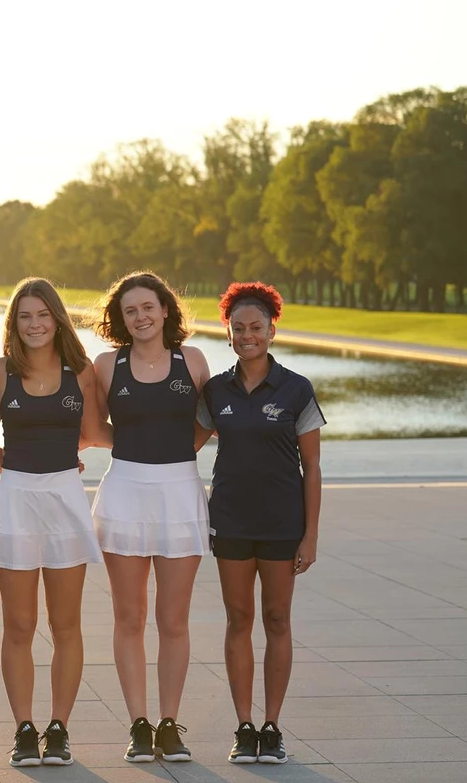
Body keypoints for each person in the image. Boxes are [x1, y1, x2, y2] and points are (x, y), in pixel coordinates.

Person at [0, 278, 108, 767]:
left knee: (66, 624)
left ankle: (58, 728)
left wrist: (171, 441)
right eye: (24, 317)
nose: (34, 325)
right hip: (15, 500)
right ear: (13, 324)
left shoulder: (80, 373)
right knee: (18, 625)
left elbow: (94, 433)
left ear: (57, 318)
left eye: (42, 315)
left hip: (65, 503)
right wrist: (22, 469)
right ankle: (23, 729)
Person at [197, 282, 324, 765]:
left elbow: (311, 467)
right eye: (239, 328)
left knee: (276, 619)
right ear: (228, 333)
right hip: (229, 519)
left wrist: (310, 535)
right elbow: (180, 446)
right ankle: (243, 726)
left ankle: (272, 727)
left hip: (280, 523)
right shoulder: (215, 391)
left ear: (272, 329)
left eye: (256, 327)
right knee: (238, 619)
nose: (248, 335)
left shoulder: (296, 389)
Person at [89, 271, 211, 763]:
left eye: (147, 307)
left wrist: (177, 452)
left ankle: (169, 723)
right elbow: (94, 426)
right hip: (124, 494)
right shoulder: (104, 365)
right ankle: (139, 723)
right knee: (130, 616)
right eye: (129, 311)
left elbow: (207, 422)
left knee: (173, 619)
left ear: (166, 310)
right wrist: (138, 451)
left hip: (181, 494)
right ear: (121, 320)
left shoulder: (194, 360)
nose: (140, 317)